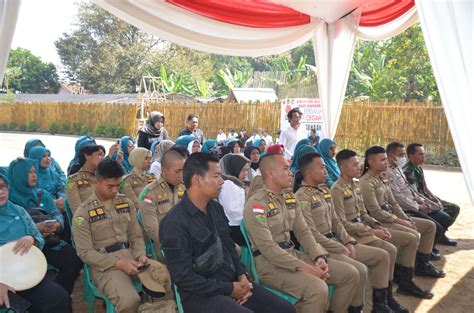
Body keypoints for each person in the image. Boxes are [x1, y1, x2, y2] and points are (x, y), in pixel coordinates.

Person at [159, 153, 295, 313]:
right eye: (216, 176)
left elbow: (229, 247)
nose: (222, 181)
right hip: (199, 294)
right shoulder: (174, 223)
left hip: (230, 282)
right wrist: (229, 289)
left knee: (285, 309)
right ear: (197, 179)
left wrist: (242, 275)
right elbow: (184, 278)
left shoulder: (216, 209)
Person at [243, 153, 359, 313]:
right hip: (268, 264)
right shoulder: (256, 205)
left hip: (292, 254)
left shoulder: (289, 198)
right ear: (270, 173)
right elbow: (269, 249)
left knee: (349, 274)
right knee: (318, 288)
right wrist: (309, 269)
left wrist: (318, 257)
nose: (291, 172)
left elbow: (303, 232)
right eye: (285, 169)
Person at [294, 153, 405, 313]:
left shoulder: (323, 190)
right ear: (309, 173)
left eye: (325, 167)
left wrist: (348, 241)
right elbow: (310, 233)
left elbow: (336, 222)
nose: (326, 170)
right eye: (322, 167)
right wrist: (339, 247)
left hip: (337, 242)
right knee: (358, 271)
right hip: (319, 248)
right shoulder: (301, 198)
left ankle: (373, 306)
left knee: (380, 257)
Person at [331, 149, 413, 312]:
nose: (359, 167)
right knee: (383, 255)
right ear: (342, 168)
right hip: (349, 236)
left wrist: (376, 225)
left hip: (362, 230)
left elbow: (362, 213)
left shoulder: (354, 185)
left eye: (358, 163)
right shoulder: (336, 189)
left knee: (390, 249)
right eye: (355, 164)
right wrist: (371, 232)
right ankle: (377, 304)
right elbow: (341, 223)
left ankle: (384, 299)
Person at [360, 146, 440, 298]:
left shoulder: (382, 177)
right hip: (378, 222)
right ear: (370, 162)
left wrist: (406, 218)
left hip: (390, 217)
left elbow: (394, 203)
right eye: (382, 159)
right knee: (412, 236)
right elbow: (376, 212)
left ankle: (419, 266)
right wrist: (401, 222)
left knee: (429, 226)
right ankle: (405, 281)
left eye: (386, 158)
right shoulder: (366, 182)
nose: (386, 162)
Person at [72, 159, 148, 313]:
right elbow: (85, 253)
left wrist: (141, 255)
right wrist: (118, 264)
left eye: (118, 185)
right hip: (105, 266)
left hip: (132, 257)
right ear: (96, 182)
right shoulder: (83, 213)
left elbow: (136, 235)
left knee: (164, 284)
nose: (115, 191)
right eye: (110, 186)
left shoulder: (125, 203)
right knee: (130, 301)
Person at [7, 158, 82, 295]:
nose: (34, 175)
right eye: (29, 172)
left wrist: (57, 224)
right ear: (19, 175)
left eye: (35, 171)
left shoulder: (42, 194)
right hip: (25, 247)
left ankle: (63, 293)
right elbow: (11, 229)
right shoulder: (8, 200)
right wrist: (36, 229)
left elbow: (56, 212)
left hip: (50, 242)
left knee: (74, 259)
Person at [0, 173, 72, 313]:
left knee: (60, 298)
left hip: (26, 275)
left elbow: (37, 236)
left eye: (2, 186)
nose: (0, 192)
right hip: (3, 283)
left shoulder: (19, 211)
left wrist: (31, 238)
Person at [385, 142, 442, 260]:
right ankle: (422, 260)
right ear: (390, 155)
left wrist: (423, 201)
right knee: (433, 226)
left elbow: (411, 191)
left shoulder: (398, 170)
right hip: (406, 209)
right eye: (401, 155)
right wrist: (418, 207)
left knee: (439, 221)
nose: (404, 158)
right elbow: (398, 198)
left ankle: (425, 255)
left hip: (411, 205)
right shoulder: (388, 173)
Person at [403, 143, 460, 246]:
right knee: (445, 216)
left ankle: (441, 235)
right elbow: (415, 194)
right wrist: (433, 204)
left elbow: (425, 188)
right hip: (419, 201)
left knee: (455, 208)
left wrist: (436, 200)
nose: (424, 157)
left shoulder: (418, 168)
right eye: (420, 154)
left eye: (424, 154)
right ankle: (432, 239)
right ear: (411, 156)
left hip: (426, 197)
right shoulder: (407, 171)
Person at [139, 150, 186, 253]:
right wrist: (177, 244)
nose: (181, 175)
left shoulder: (185, 188)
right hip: (163, 247)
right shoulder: (150, 193)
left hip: (186, 241)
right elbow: (153, 230)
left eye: (183, 170)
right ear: (164, 170)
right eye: (177, 171)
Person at [218, 154, 250, 246]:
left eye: (247, 170)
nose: (245, 174)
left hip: (239, 224)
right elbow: (231, 209)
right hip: (234, 227)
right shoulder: (228, 184)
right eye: (242, 170)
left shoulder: (237, 183)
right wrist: (248, 214)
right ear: (234, 168)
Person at [66, 144, 105, 215]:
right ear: (87, 156)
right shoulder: (71, 181)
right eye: (99, 154)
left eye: (103, 156)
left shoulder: (102, 178)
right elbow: (76, 211)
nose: (102, 158)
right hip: (90, 221)